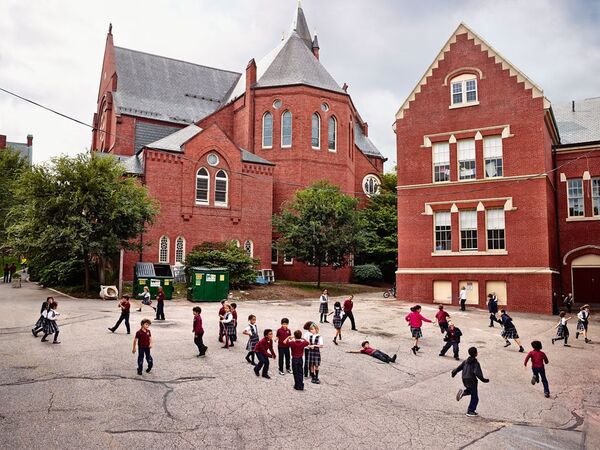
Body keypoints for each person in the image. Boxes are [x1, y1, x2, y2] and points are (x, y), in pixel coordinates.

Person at [452, 346, 490, 417]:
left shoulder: (465, 361)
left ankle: (463, 392)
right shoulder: (475, 363)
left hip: (464, 379)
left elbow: (459, 368)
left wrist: (454, 372)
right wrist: (484, 380)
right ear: (476, 354)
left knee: (470, 391)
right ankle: (470, 411)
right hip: (472, 380)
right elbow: (477, 373)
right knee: (475, 397)